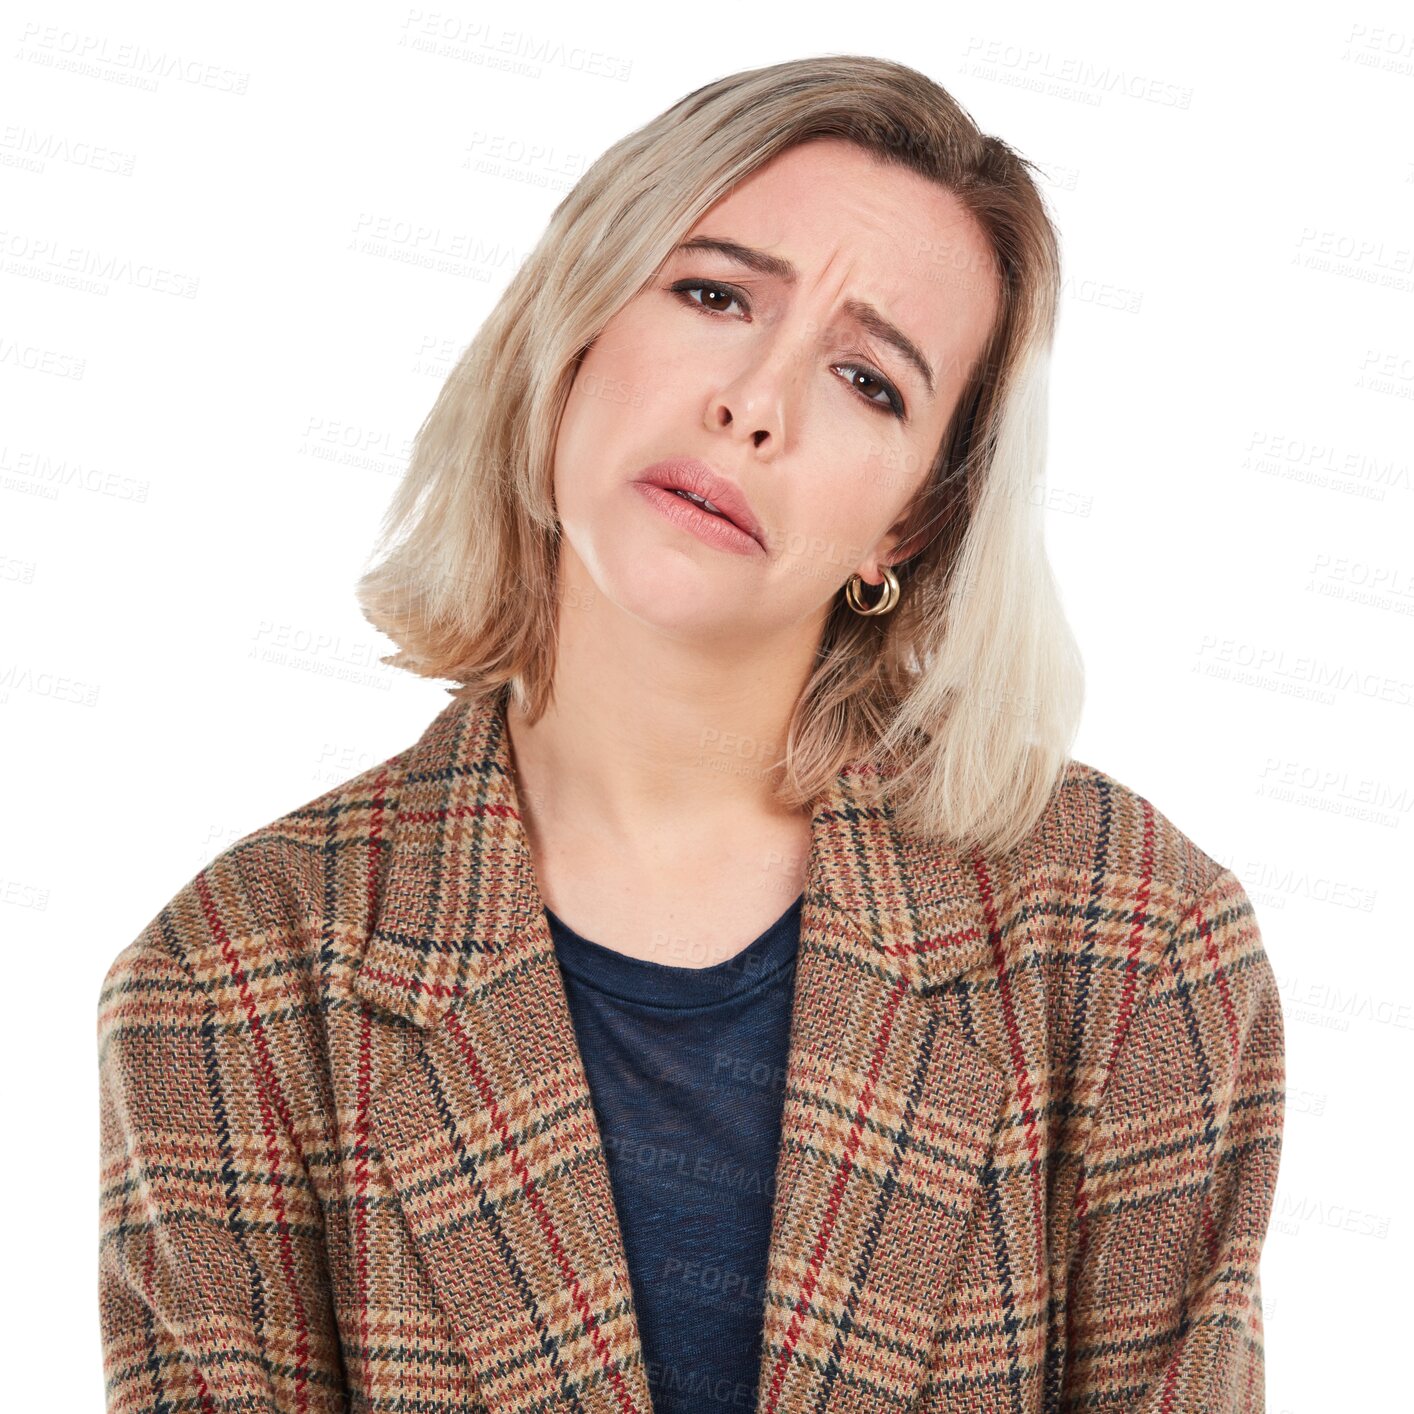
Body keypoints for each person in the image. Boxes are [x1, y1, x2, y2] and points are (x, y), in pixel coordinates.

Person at [97, 55, 1285, 1413]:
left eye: (867, 378)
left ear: (907, 522)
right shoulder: (229, 978)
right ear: (576, 321)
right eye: (714, 295)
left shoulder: (1131, 935)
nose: (756, 403)